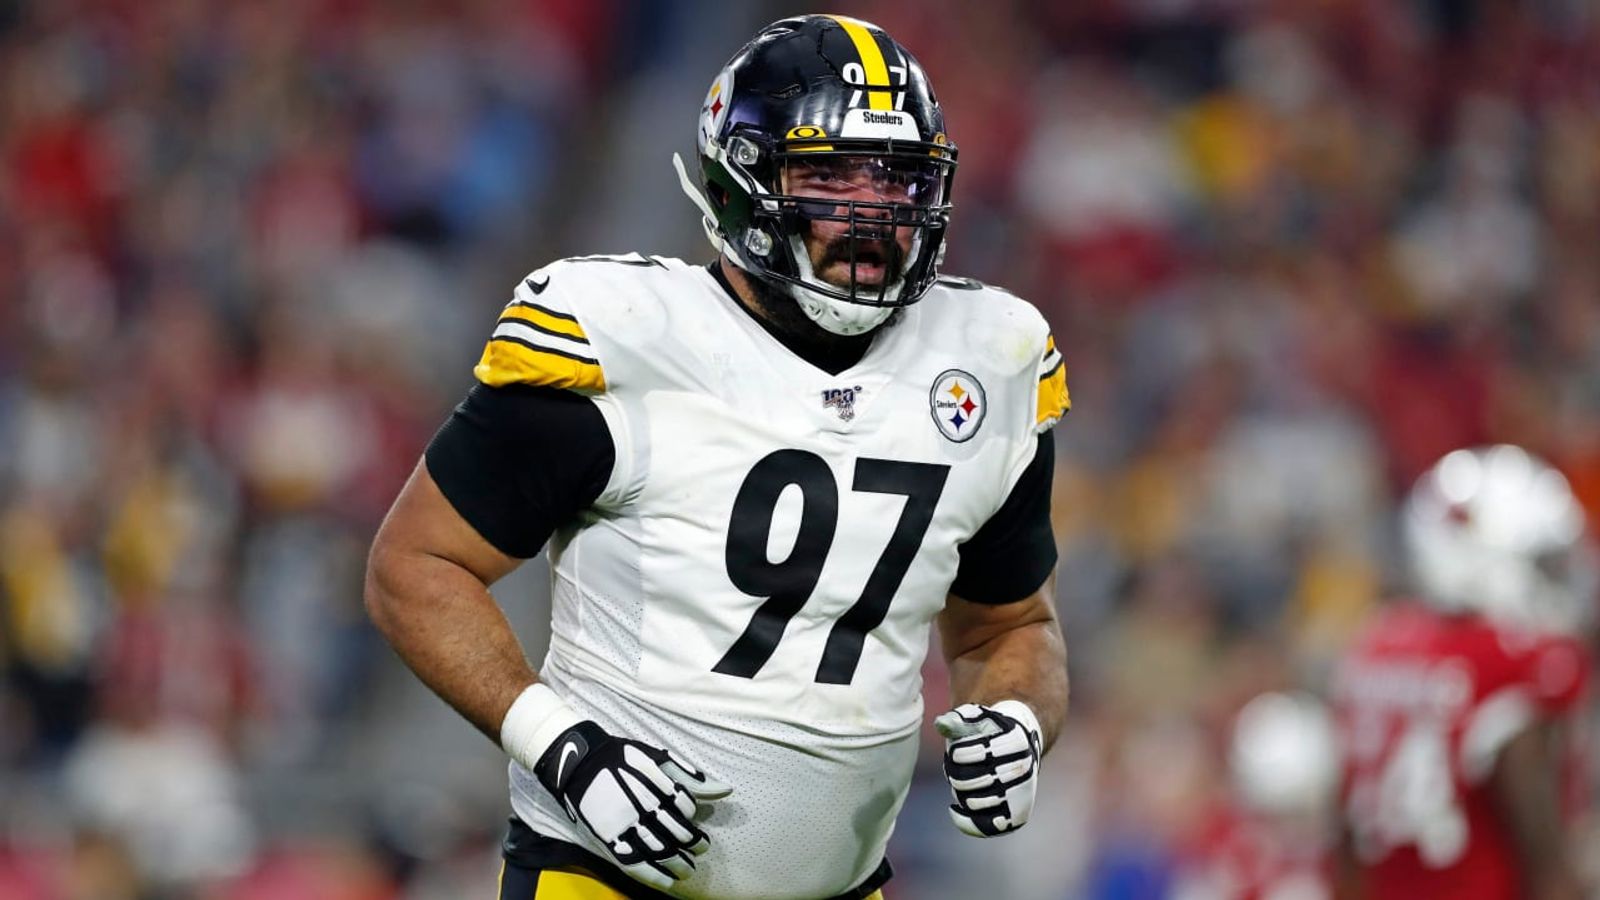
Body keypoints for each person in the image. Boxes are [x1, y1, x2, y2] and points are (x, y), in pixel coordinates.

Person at [364, 15, 1070, 900]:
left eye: (895, 178)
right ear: (741, 180)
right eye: (826, 173)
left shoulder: (986, 357)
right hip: (606, 882)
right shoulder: (627, 338)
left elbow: (1013, 629)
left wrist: (1015, 720)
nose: (869, 209)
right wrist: (562, 745)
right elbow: (416, 565)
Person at [1329, 445, 1596, 900]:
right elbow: (1543, 852)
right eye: (1542, 565)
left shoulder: (1378, 646)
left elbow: (1346, 845)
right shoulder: (1512, 661)